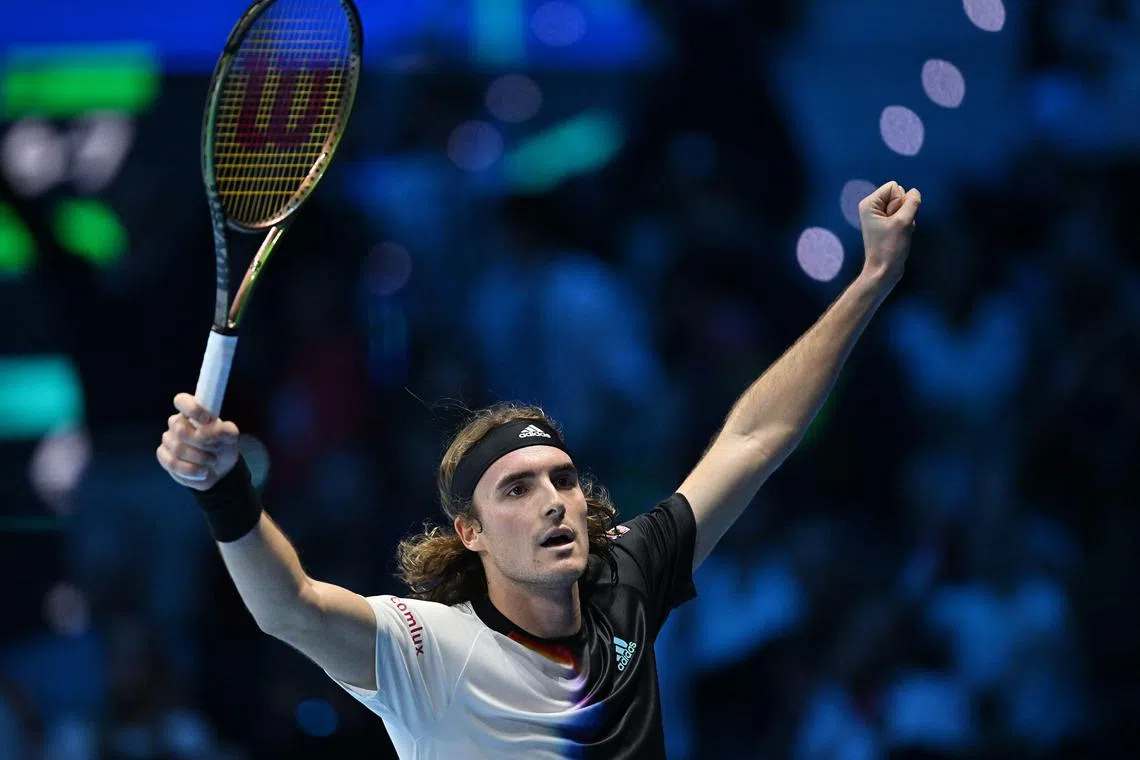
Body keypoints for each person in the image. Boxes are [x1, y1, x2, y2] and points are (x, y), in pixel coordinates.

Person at [156, 181, 922, 758]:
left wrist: (869, 284)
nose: (556, 500)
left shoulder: (626, 582)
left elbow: (755, 437)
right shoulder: (426, 647)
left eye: (561, 478)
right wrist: (223, 490)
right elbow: (288, 607)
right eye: (518, 489)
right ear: (472, 532)